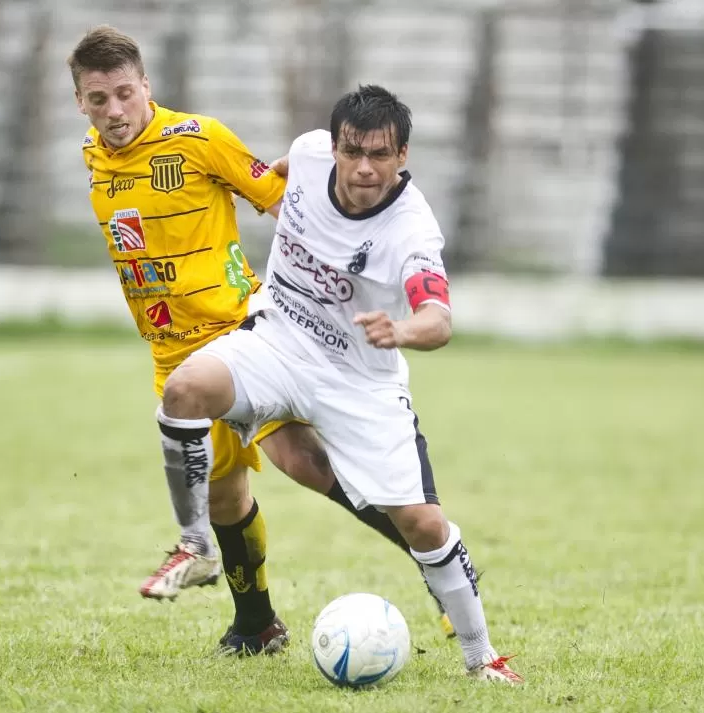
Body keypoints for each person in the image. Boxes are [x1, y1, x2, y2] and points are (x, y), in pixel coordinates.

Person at [67, 26, 455, 654]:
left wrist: (350, 277)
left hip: (242, 328)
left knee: (300, 463)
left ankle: (430, 554)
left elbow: (288, 200)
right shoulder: (94, 155)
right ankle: (258, 625)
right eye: (97, 99)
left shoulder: (199, 140)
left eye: (124, 93)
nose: (114, 111)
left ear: (147, 87)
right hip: (170, 352)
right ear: (81, 103)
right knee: (228, 490)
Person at [156, 84, 523, 682]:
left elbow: (439, 320)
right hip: (277, 341)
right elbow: (278, 172)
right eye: (352, 151)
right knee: (184, 390)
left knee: (425, 526)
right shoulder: (307, 154)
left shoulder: (412, 229)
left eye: (380, 154)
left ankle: (482, 658)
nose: (364, 168)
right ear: (334, 146)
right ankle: (194, 544)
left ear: (403, 154)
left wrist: (402, 331)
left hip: (360, 381)